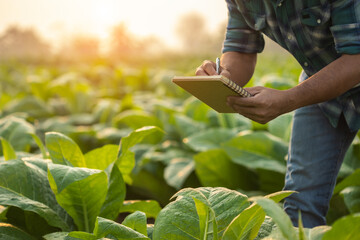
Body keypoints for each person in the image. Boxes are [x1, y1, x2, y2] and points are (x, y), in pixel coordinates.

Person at [196, 0, 360, 228]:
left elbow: (357, 60)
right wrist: (223, 77)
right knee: (299, 202)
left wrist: (289, 99)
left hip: (344, 70)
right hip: (322, 87)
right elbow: (241, 50)